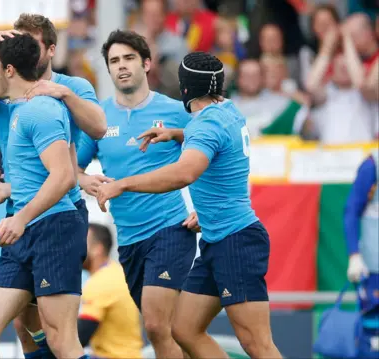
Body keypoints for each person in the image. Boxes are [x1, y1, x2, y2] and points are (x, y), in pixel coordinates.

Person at [96, 52, 282, 359]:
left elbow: (184, 173)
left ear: (185, 88)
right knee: (183, 329)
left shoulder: (204, 126)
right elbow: (215, 139)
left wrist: (123, 183)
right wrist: (177, 133)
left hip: (236, 241)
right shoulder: (227, 110)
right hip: (216, 240)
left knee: (257, 344)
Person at [0, 13, 106, 359]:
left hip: (52, 223)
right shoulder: (12, 101)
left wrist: (22, 217)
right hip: (23, 218)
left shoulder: (49, 104)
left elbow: (66, 171)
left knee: (59, 338)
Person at [77, 29, 198, 359]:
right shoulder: (98, 118)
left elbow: (217, 153)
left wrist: (205, 208)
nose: (122, 66)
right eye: (114, 61)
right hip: (129, 242)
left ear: (146, 63)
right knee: (166, 330)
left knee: (158, 325)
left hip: (172, 228)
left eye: (129, 58)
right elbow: (71, 167)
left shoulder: (176, 111)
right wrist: (81, 179)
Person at [78, 223, 143, 359]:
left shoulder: (101, 282)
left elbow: (81, 337)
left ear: (98, 249)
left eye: (81, 242)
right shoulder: (116, 272)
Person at [344, 149, 379, 359]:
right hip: (374, 266)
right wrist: (354, 255)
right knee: (372, 332)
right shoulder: (372, 166)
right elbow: (351, 210)